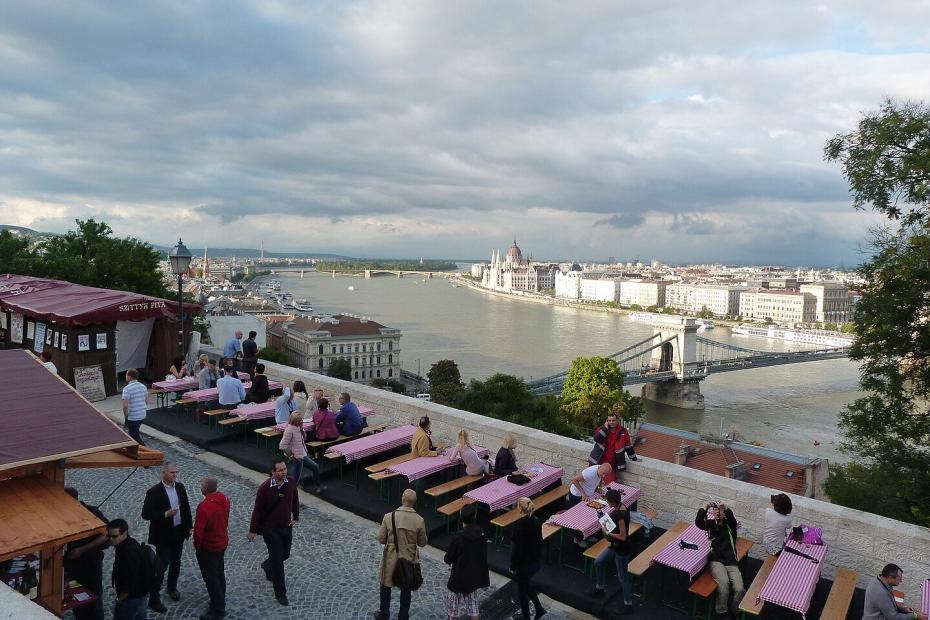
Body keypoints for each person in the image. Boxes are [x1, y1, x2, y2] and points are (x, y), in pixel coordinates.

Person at [141, 462, 193, 613]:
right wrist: (165, 514)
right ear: (163, 473)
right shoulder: (154, 492)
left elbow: (186, 507)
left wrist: (188, 526)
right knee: (161, 566)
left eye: (176, 472)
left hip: (179, 532)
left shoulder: (180, 487)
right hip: (163, 536)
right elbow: (145, 514)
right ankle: (154, 598)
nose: (175, 475)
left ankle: (172, 588)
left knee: (176, 562)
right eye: (172, 473)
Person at [248, 459, 300, 607]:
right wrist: (252, 530)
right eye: (280, 470)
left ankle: (266, 565)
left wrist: (295, 516)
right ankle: (280, 592)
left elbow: (295, 499)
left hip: (286, 526)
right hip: (271, 530)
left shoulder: (290, 482)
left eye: (285, 469)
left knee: (285, 554)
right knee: (278, 562)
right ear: (273, 472)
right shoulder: (264, 488)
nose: (284, 472)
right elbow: (257, 510)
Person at [376, 488, 428, 620]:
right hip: (409, 560)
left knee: (385, 587)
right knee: (406, 589)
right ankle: (403, 615)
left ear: (402, 499)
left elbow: (381, 538)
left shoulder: (389, 517)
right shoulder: (419, 520)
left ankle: (384, 614)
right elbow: (422, 542)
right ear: (414, 502)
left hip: (391, 559)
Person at [64, 487, 108, 620]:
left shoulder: (92, 511)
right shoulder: (64, 515)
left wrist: (82, 549)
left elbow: (106, 534)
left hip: (90, 564)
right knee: (77, 599)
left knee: (94, 600)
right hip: (71, 565)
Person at [588, 489, 633, 613]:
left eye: (607, 501)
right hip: (615, 546)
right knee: (598, 562)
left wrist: (606, 532)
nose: (607, 503)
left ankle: (628, 604)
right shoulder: (623, 507)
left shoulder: (619, 515)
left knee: (623, 577)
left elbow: (623, 536)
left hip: (621, 549)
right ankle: (600, 588)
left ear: (612, 502)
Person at [696, 502, 743, 619]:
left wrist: (726, 508)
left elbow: (732, 519)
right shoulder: (711, 525)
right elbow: (698, 522)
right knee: (724, 583)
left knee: (739, 588)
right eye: (715, 511)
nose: (717, 513)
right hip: (716, 561)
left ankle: (735, 610)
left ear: (724, 514)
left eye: (720, 511)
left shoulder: (730, 526)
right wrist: (705, 507)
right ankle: (722, 611)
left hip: (731, 562)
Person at [443, 504, 490, 620]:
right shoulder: (481, 534)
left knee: (453, 612)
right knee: (473, 609)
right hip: (473, 578)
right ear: (474, 517)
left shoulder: (459, 538)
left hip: (458, 579)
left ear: (461, 517)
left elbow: (448, 559)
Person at [193, 475, 230, 620]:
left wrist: (197, 546)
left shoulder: (204, 507)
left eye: (202, 484)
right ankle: (219, 599)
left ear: (206, 488)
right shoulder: (225, 499)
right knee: (219, 573)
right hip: (222, 542)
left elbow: (199, 531)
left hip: (209, 547)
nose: (200, 486)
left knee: (211, 578)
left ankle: (218, 609)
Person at [509, 497, 545, 620]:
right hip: (535, 560)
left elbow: (517, 549)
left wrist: (512, 566)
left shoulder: (520, 526)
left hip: (524, 564)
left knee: (522, 592)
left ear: (520, 509)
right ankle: (539, 608)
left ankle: (526, 617)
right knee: (527, 585)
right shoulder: (536, 520)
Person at [107, 518, 150, 620]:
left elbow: (129, 582)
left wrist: (119, 599)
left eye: (114, 536)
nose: (110, 539)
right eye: (109, 536)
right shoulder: (127, 544)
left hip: (131, 598)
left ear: (124, 533)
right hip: (140, 595)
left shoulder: (128, 553)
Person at [280, 411, 324, 494]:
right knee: (295, 479)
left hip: (302, 454)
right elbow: (282, 445)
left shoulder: (298, 427)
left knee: (315, 467)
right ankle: (287, 494)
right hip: (298, 457)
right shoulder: (289, 430)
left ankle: (318, 486)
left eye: (301, 420)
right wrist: (291, 456)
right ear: (294, 420)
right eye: (299, 420)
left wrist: (302, 430)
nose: (301, 421)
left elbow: (304, 439)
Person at [863, 564, 928, 620]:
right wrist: (915, 616)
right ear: (890, 578)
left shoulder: (878, 580)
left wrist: (904, 609)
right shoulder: (881, 592)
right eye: (899, 579)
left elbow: (888, 604)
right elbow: (894, 618)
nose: (901, 581)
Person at [588, 414, 637, 484]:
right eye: (609, 420)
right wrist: (605, 428)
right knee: (590, 482)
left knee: (611, 484)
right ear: (607, 421)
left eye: (613, 420)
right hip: (597, 461)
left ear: (617, 421)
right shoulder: (602, 429)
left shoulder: (623, 432)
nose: (611, 422)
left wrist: (634, 458)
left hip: (610, 464)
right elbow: (596, 439)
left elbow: (628, 446)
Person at [122, 369, 148, 445]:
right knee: (133, 433)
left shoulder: (127, 389)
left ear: (130, 377)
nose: (125, 376)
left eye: (126, 375)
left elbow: (125, 406)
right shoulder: (143, 386)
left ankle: (146, 450)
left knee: (134, 436)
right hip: (142, 415)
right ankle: (133, 450)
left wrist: (126, 416)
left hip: (133, 416)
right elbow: (146, 401)